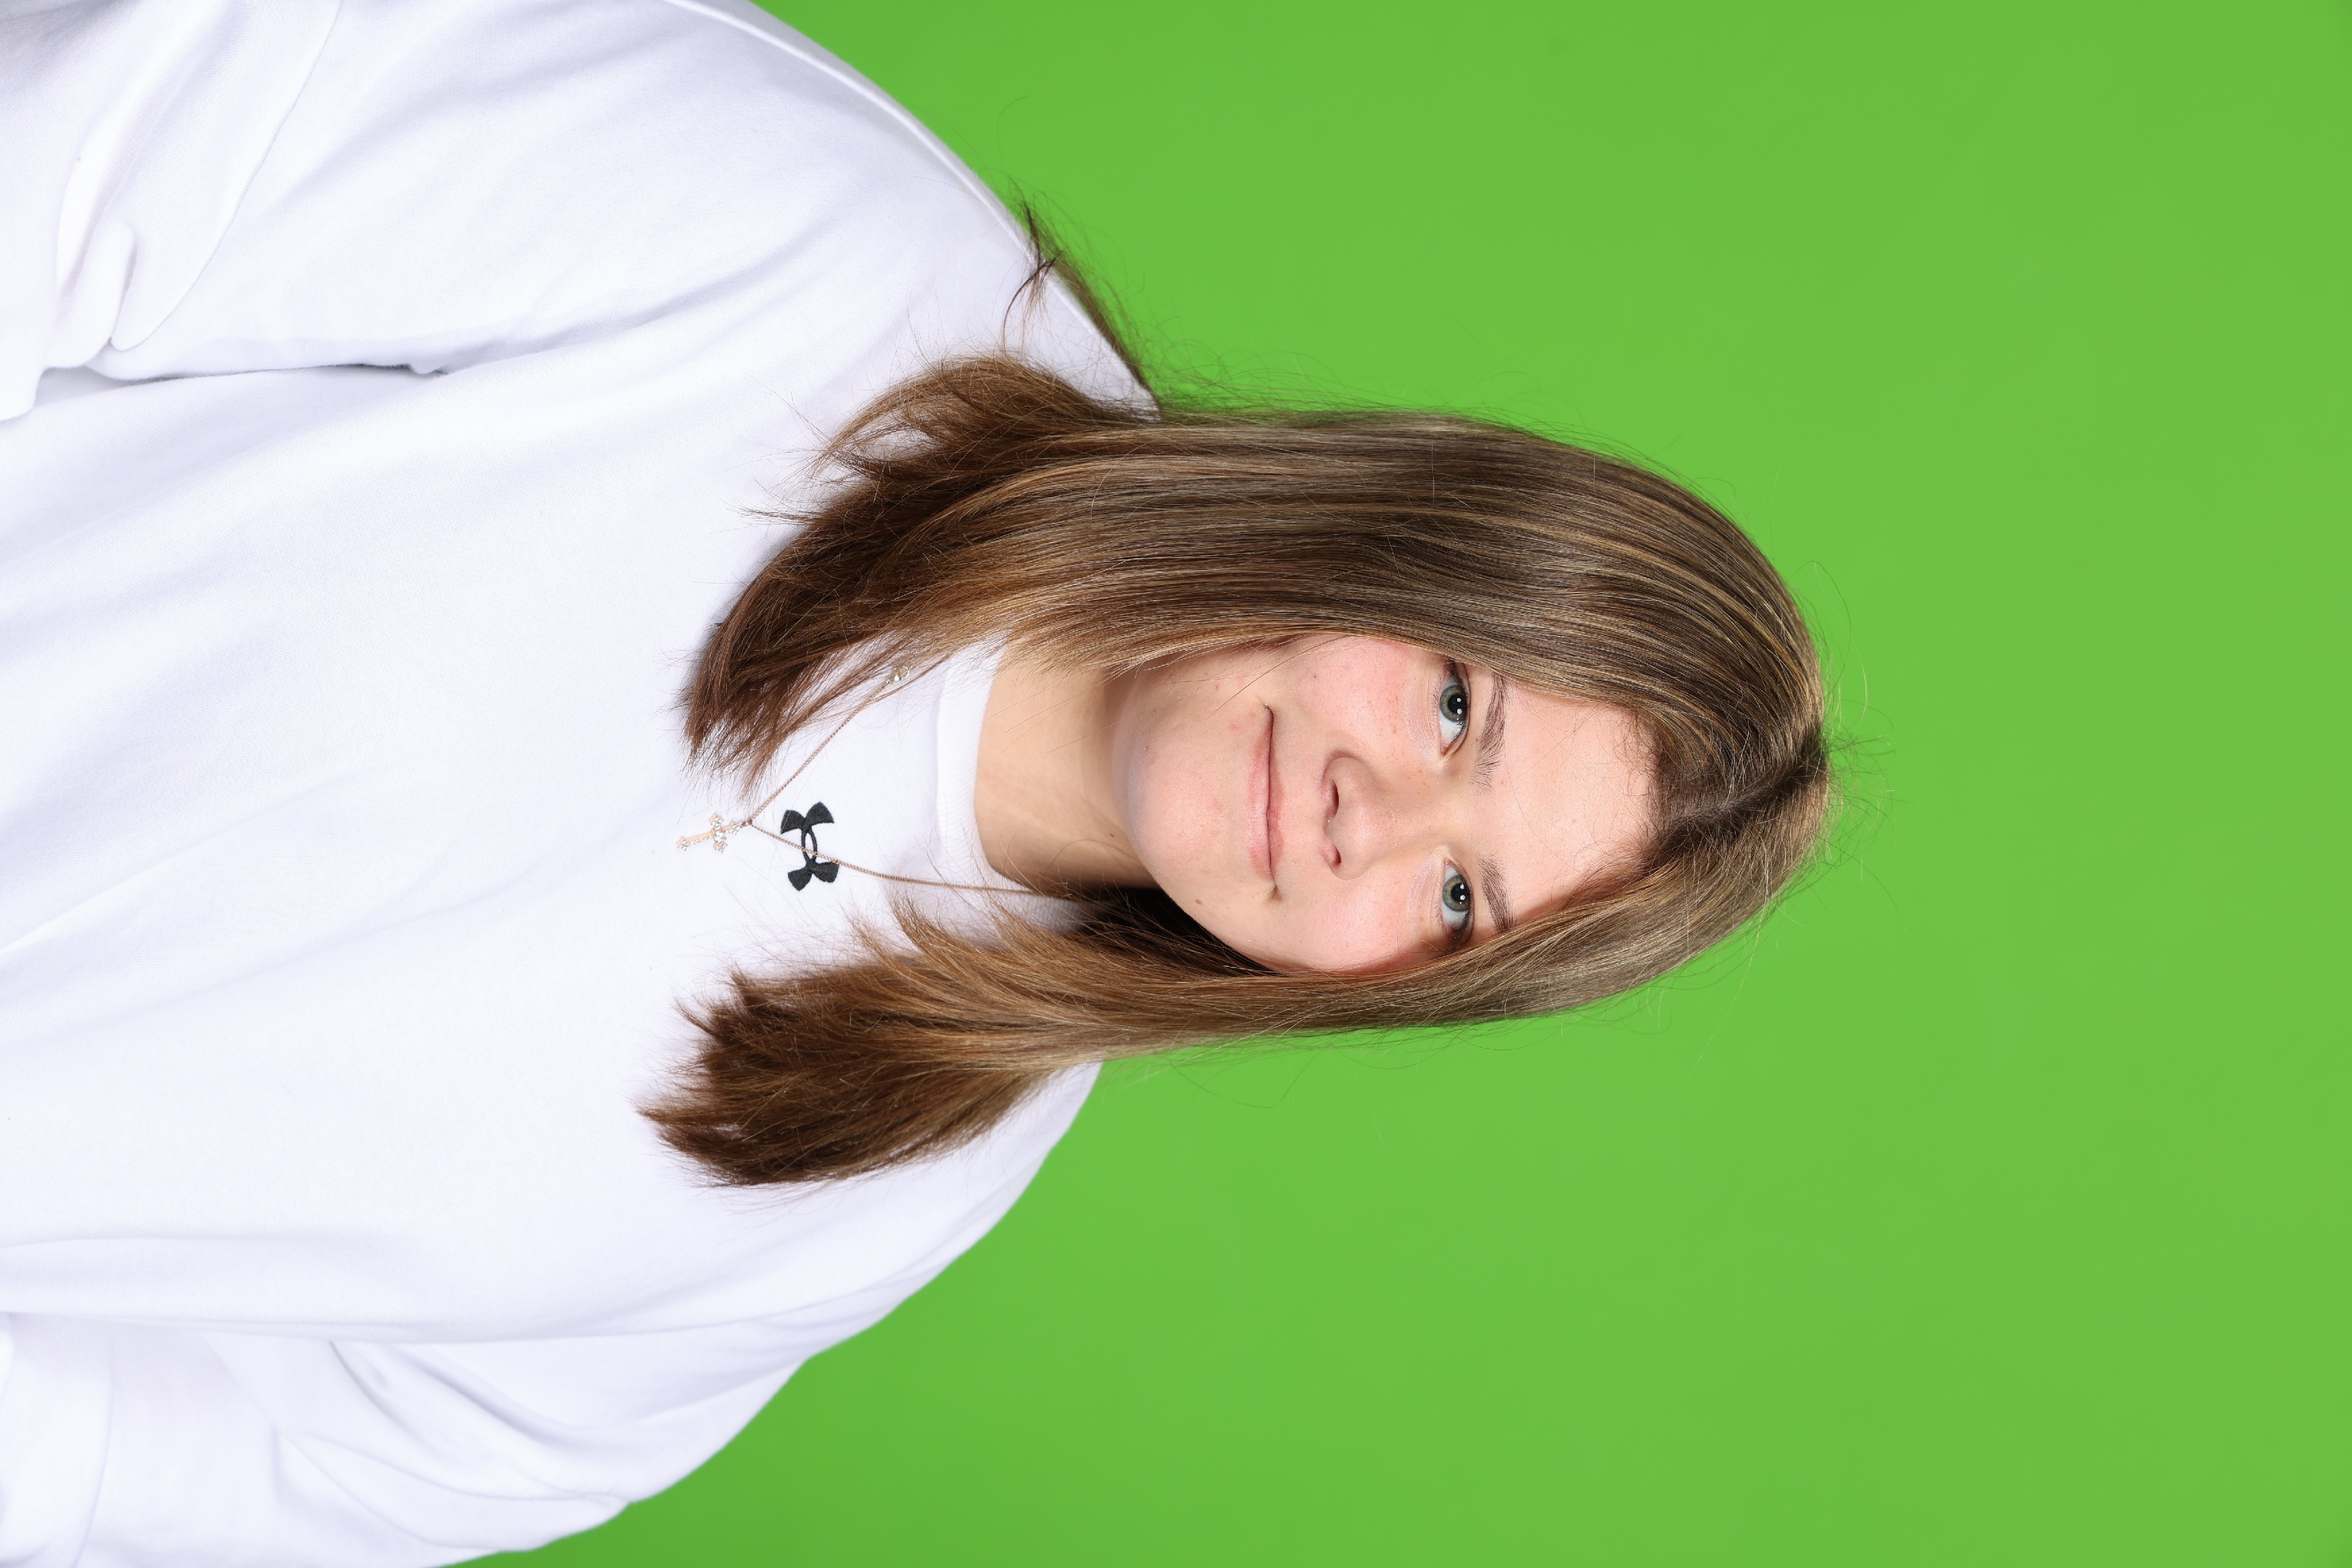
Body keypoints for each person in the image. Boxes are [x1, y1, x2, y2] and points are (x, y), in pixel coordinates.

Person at [0, 0, 1831, 1561]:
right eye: (1451, 707)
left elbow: (243, 1469)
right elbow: (98, 146)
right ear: (1401, 533)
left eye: (1459, 901)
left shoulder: (887, 1174)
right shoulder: (820, 256)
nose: (1378, 819)